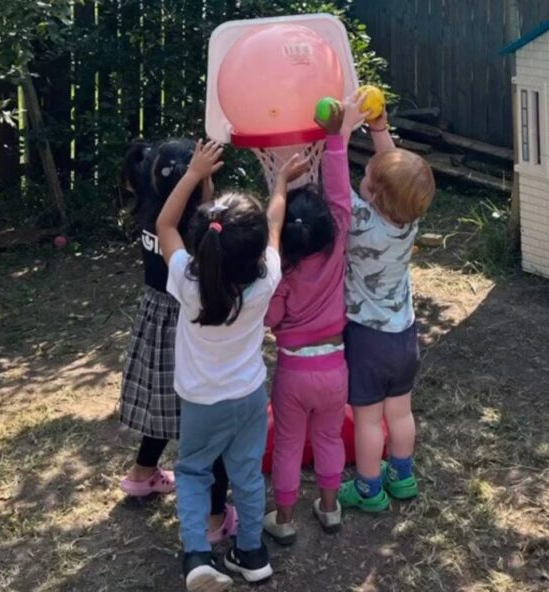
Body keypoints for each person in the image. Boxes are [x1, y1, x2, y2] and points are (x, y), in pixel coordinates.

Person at [156, 139, 307, 591]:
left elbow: (165, 223)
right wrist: (280, 181)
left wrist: (193, 173)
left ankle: (198, 557)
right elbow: (275, 220)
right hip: (248, 397)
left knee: (193, 472)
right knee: (245, 472)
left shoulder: (187, 279)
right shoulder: (267, 277)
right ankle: (253, 554)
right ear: (258, 248)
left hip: (202, 402)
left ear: (203, 245)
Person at [118, 139, 235, 546]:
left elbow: (189, 207)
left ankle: (141, 475)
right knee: (201, 423)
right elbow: (209, 215)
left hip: (154, 319)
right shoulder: (194, 233)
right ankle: (214, 516)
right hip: (184, 327)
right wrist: (200, 177)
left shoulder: (152, 215)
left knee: (160, 407)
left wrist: (194, 177)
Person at [262, 95, 366, 545]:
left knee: (287, 443)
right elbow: (341, 196)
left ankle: (283, 519)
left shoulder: (281, 272)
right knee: (328, 439)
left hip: (293, 369)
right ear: (329, 226)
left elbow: (270, 317)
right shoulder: (338, 241)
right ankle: (329, 508)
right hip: (334, 368)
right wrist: (335, 140)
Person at [338, 106, 436, 513]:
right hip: (405, 336)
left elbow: (334, 184)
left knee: (367, 420)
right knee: (400, 413)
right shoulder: (407, 221)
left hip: (367, 338)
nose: (363, 177)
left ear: (374, 195)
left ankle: (368, 487)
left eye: (369, 178)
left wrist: (339, 135)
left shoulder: (360, 222)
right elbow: (394, 173)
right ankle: (402, 474)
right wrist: (379, 127)